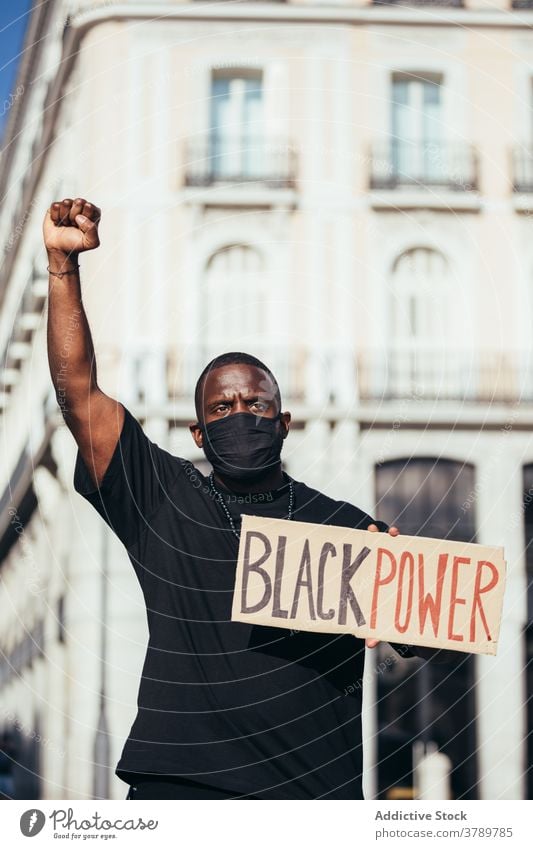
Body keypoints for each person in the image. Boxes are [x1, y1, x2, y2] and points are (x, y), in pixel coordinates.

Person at [43, 197, 458, 801]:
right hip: (180, 788)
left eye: (256, 405)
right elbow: (78, 393)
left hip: (310, 799)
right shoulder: (163, 497)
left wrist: (409, 595)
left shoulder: (341, 527)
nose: (241, 415)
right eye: (222, 408)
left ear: (283, 421)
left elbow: (430, 638)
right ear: (197, 432)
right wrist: (62, 267)